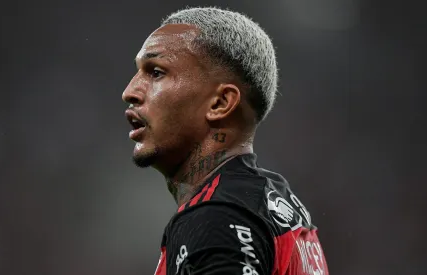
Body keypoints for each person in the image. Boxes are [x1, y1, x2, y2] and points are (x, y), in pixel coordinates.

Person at [122, 7, 329, 275]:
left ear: (220, 103)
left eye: (156, 72)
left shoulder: (218, 216)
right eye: (138, 71)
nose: (130, 91)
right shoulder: (271, 200)